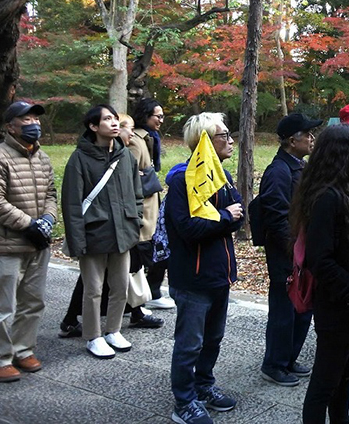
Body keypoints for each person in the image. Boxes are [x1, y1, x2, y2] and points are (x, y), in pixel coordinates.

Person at [293, 124, 349, 423]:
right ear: (341, 155)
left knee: (343, 378)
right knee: (325, 382)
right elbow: (320, 260)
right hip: (337, 306)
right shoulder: (327, 198)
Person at [165, 113, 243, 424]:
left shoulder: (221, 176)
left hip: (219, 275)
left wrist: (227, 216)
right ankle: (184, 401)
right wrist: (224, 217)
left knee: (213, 339)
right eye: (224, 135)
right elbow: (188, 228)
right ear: (205, 142)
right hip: (193, 279)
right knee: (190, 343)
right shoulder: (183, 180)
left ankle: (203, 385)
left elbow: (241, 212)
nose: (231, 140)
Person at [58, 114, 162, 337]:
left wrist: (134, 222)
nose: (114, 123)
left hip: (123, 233)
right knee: (93, 290)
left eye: (116, 119)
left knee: (120, 287)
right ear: (94, 126)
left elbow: (136, 193)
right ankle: (93, 336)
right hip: (94, 233)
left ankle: (113, 332)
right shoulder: (79, 159)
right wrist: (77, 241)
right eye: (107, 119)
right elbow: (72, 203)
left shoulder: (124, 156)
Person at [258, 113, 321, 387]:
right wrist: (292, 252)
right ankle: (274, 364)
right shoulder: (278, 171)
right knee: (284, 311)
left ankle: (289, 358)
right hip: (287, 256)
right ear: (292, 139)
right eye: (307, 134)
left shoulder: (300, 167)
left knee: (302, 308)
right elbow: (275, 216)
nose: (312, 139)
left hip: (303, 253)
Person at [0, 101, 57, 382]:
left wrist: (47, 220)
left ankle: (23, 350)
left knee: (33, 301)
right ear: (10, 125)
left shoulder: (42, 157)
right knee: (4, 305)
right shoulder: (1, 156)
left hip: (39, 242)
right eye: (26, 119)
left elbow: (51, 193)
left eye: (35, 118)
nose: (33, 123)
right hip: (8, 243)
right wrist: (28, 224)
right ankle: (1, 358)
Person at [133, 98, 175, 310]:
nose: (161, 120)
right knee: (142, 254)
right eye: (157, 116)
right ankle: (138, 302)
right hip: (141, 208)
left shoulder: (150, 138)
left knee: (159, 249)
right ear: (145, 116)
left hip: (152, 205)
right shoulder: (135, 140)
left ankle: (152, 292)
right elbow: (128, 177)